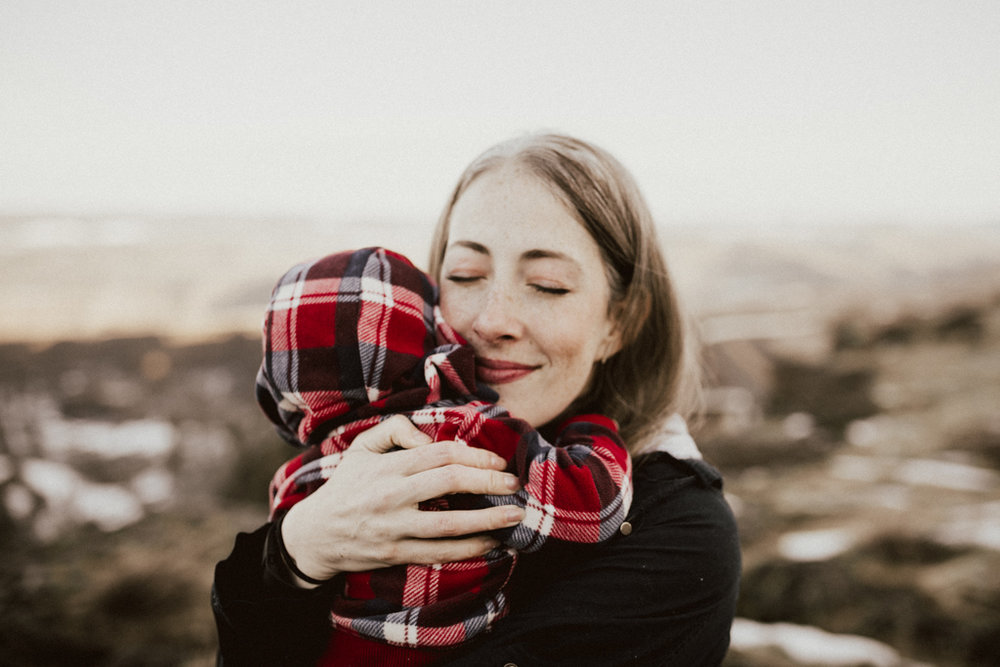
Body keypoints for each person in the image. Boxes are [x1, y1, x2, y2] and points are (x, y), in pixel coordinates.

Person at [213, 132, 741, 666]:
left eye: (548, 284)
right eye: (466, 276)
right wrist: (294, 553)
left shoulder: (680, 533)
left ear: (619, 322)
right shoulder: (369, 455)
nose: (492, 321)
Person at [256, 245, 632, 665]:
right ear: (428, 336)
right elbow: (596, 507)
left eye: (548, 286)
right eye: (465, 276)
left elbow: (275, 593)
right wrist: (594, 427)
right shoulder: (459, 434)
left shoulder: (296, 475)